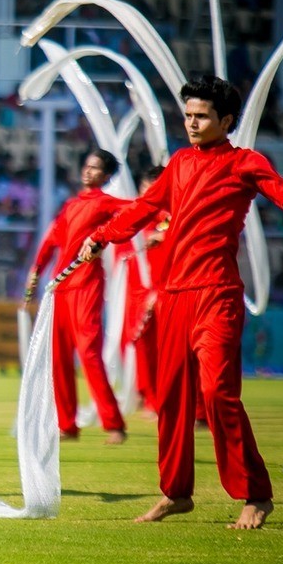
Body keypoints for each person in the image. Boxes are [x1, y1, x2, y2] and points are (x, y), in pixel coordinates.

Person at [81, 75, 283, 530]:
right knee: (171, 400)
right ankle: (176, 493)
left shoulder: (245, 164)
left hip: (217, 295)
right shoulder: (179, 163)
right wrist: (100, 237)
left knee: (217, 393)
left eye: (201, 116)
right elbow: (142, 208)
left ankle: (256, 494)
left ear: (226, 120)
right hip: (173, 295)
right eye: (188, 115)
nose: (191, 123)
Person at [25, 149, 129, 444]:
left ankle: (113, 425)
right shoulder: (71, 205)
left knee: (89, 355)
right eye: (87, 166)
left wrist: (163, 225)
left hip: (86, 284)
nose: (88, 171)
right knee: (58, 358)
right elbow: (51, 239)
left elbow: (139, 213)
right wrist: (36, 270)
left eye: (96, 168)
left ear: (107, 176)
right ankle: (67, 424)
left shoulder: (107, 202)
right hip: (60, 286)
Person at [117, 165, 167, 417]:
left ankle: (162, 402)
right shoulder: (135, 214)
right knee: (136, 345)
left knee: (164, 349)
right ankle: (146, 395)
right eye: (145, 189)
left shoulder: (169, 218)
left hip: (160, 290)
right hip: (133, 292)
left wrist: (157, 290)